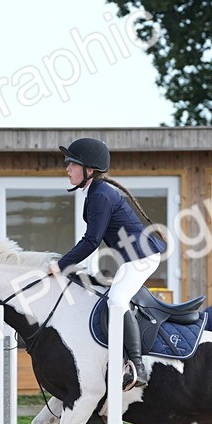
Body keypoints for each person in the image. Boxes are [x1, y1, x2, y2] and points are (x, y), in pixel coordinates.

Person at [48, 138, 165, 389]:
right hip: (132, 258)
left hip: (142, 257)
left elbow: (91, 241)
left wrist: (61, 265)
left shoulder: (101, 195)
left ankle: (137, 367)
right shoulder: (96, 192)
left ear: (89, 169)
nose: (67, 168)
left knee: (117, 300)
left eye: (72, 163)